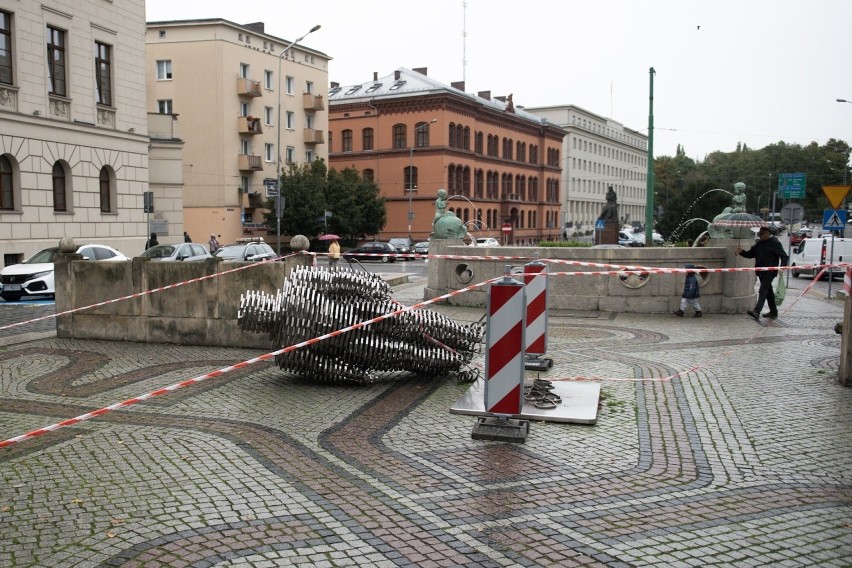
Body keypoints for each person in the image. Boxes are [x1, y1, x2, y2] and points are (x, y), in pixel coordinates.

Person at [736, 226, 789, 319]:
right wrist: (741, 252)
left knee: (763, 289)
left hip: (770, 271)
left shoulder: (775, 243)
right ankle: (773, 311)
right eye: (759, 234)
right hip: (760, 271)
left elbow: (784, 256)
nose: (759, 236)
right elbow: (750, 254)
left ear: (768, 233)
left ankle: (757, 311)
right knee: (768, 291)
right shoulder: (759, 243)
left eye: (761, 234)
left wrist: (783, 266)